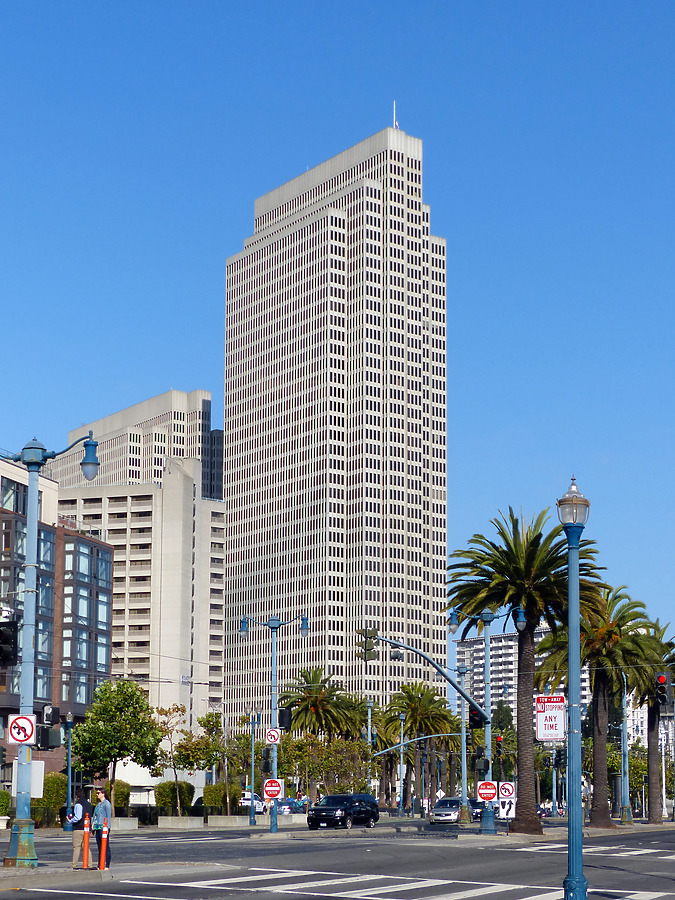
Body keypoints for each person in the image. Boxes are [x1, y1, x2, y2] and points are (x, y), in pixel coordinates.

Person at [67, 787, 93, 869]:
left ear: (76, 796)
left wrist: (70, 820)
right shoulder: (89, 804)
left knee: (77, 847)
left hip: (78, 828)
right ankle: (89, 864)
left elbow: (78, 817)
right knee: (86, 847)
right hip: (87, 829)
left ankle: (74, 865)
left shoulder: (78, 804)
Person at [93, 786, 112, 869]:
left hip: (103, 827)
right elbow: (95, 816)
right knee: (100, 847)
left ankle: (107, 864)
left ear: (103, 793)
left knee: (106, 846)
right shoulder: (98, 805)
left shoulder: (106, 804)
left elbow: (108, 816)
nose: (97, 795)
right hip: (97, 826)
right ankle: (100, 864)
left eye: (98, 793)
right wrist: (93, 827)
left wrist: (107, 828)